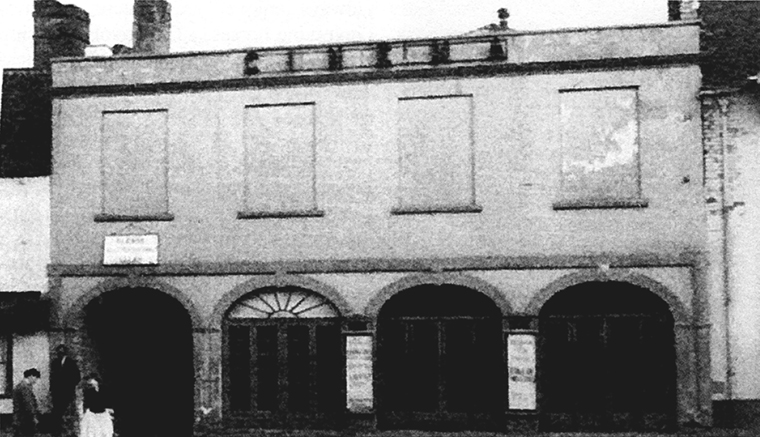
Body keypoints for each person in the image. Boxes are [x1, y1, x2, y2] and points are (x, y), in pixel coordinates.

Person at [50, 345, 81, 437]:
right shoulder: (55, 363)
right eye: (58, 352)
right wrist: (52, 390)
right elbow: (53, 377)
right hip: (57, 393)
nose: (60, 354)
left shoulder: (71, 363)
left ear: (65, 352)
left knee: (67, 411)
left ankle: (69, 432)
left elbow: (77, 377)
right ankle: (57, 432)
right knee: (57, 412)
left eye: (62, 352)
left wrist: (68, 385)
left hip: (67, 392)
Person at [13, 368, 41, 437]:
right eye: (36, 378)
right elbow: (28, 404)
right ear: (31, 376)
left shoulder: (21, 386)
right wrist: (34, 417)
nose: (36, 381)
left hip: (21, 418)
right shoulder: (25, 387)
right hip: (25, 419)